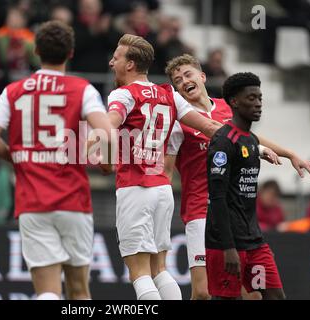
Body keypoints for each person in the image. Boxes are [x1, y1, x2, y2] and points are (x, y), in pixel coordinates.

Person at [163, 54, 310, 300]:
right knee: (203, 293)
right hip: (201, 212)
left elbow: (252, 139)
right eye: (177, 80)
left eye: (187, 74)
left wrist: (289, 154)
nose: (184, 81)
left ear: (202, 77)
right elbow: (167, 168)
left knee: (254, 294)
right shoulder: (180, 121)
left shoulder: (227, 107)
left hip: (235, 212)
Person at [0, 21, 113, 300]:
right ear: (71, 53)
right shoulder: (82, 89)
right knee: (79, 291)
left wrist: (17, 157)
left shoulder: (14, 90)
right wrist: (104, 160)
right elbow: (107, 133)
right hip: (74, 200)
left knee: (47, 292)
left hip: (32, 201)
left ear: (36, 51)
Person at [105, 34, 223, 300]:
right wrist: (255, 147)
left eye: (117, 57)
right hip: (162, 189)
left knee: (139, 272)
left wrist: (96, 144)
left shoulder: (123, 94)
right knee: (159, 269)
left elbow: (109, 123)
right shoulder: (168, 93)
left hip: (135, 188)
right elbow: (210, 126)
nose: (112, 62)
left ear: (130, 64)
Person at [205, 72, 286, 300]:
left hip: (254, 241)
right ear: (234, 102)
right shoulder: (222, 141)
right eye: (251, 98)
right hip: (226, 244)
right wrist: (228, 248)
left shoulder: (251, 140)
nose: (258, 103)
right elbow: (217, 198)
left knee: (275, 296)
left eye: (260, 98)